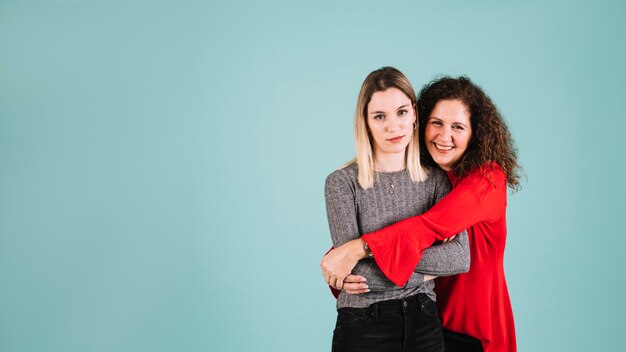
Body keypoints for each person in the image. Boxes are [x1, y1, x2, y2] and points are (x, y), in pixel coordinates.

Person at [321, 76, 521, 352]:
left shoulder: (486, 180)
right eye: (436, 123)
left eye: (458, 127)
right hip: (430, 319)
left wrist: (360, 248)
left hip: (473, 330)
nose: (444, 136)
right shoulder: (429, 176)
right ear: (421, 121)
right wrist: (341, 264)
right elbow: (348, 271)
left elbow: (431, 228)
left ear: (476, 133)